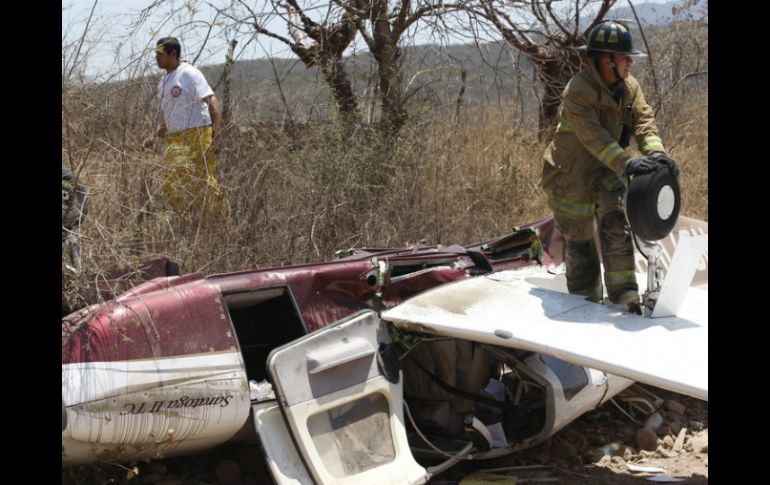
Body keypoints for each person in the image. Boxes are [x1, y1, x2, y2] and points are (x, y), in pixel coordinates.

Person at [541, 20, 678, 311]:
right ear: (607, 61)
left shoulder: (629, 88)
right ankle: (585, 306)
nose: (630, 63)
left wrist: (657, 155)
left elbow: (644, 121)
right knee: (580, 246)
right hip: (570, 177)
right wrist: (628, 163)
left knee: (616, 225)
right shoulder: (577, 91)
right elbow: (594, 138)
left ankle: (625, 297)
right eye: (625, 58)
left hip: (608, 171)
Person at [143, 37, 225, 221]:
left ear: (173, 54)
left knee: (203, 182)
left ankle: (216, 223)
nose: (157, 58)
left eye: (160, 54)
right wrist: (154, 136)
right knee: (170, 183)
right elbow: (169, 116)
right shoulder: (163, 82)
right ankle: (190, 220)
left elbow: (212, 101)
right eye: (156, 54)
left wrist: (217, 134)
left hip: (197, 134)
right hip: (175, 139)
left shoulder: (189, 73)